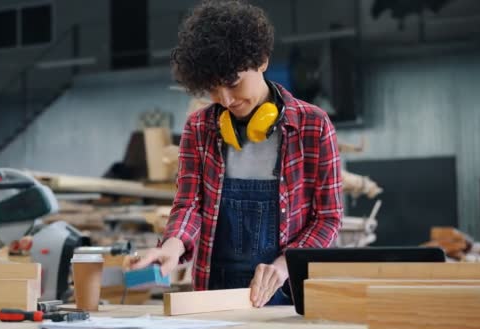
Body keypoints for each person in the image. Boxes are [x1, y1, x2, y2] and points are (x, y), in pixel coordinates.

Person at [130, 0, 343, 307]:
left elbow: (328, 218)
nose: (226, 100)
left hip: (287, 289)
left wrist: (285, 265)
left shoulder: (313, 125)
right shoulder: (200, 127)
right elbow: (189, 204)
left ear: (262, 61)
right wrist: (173, 246)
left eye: (233, 84)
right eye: (213, 90)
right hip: (214, 291)